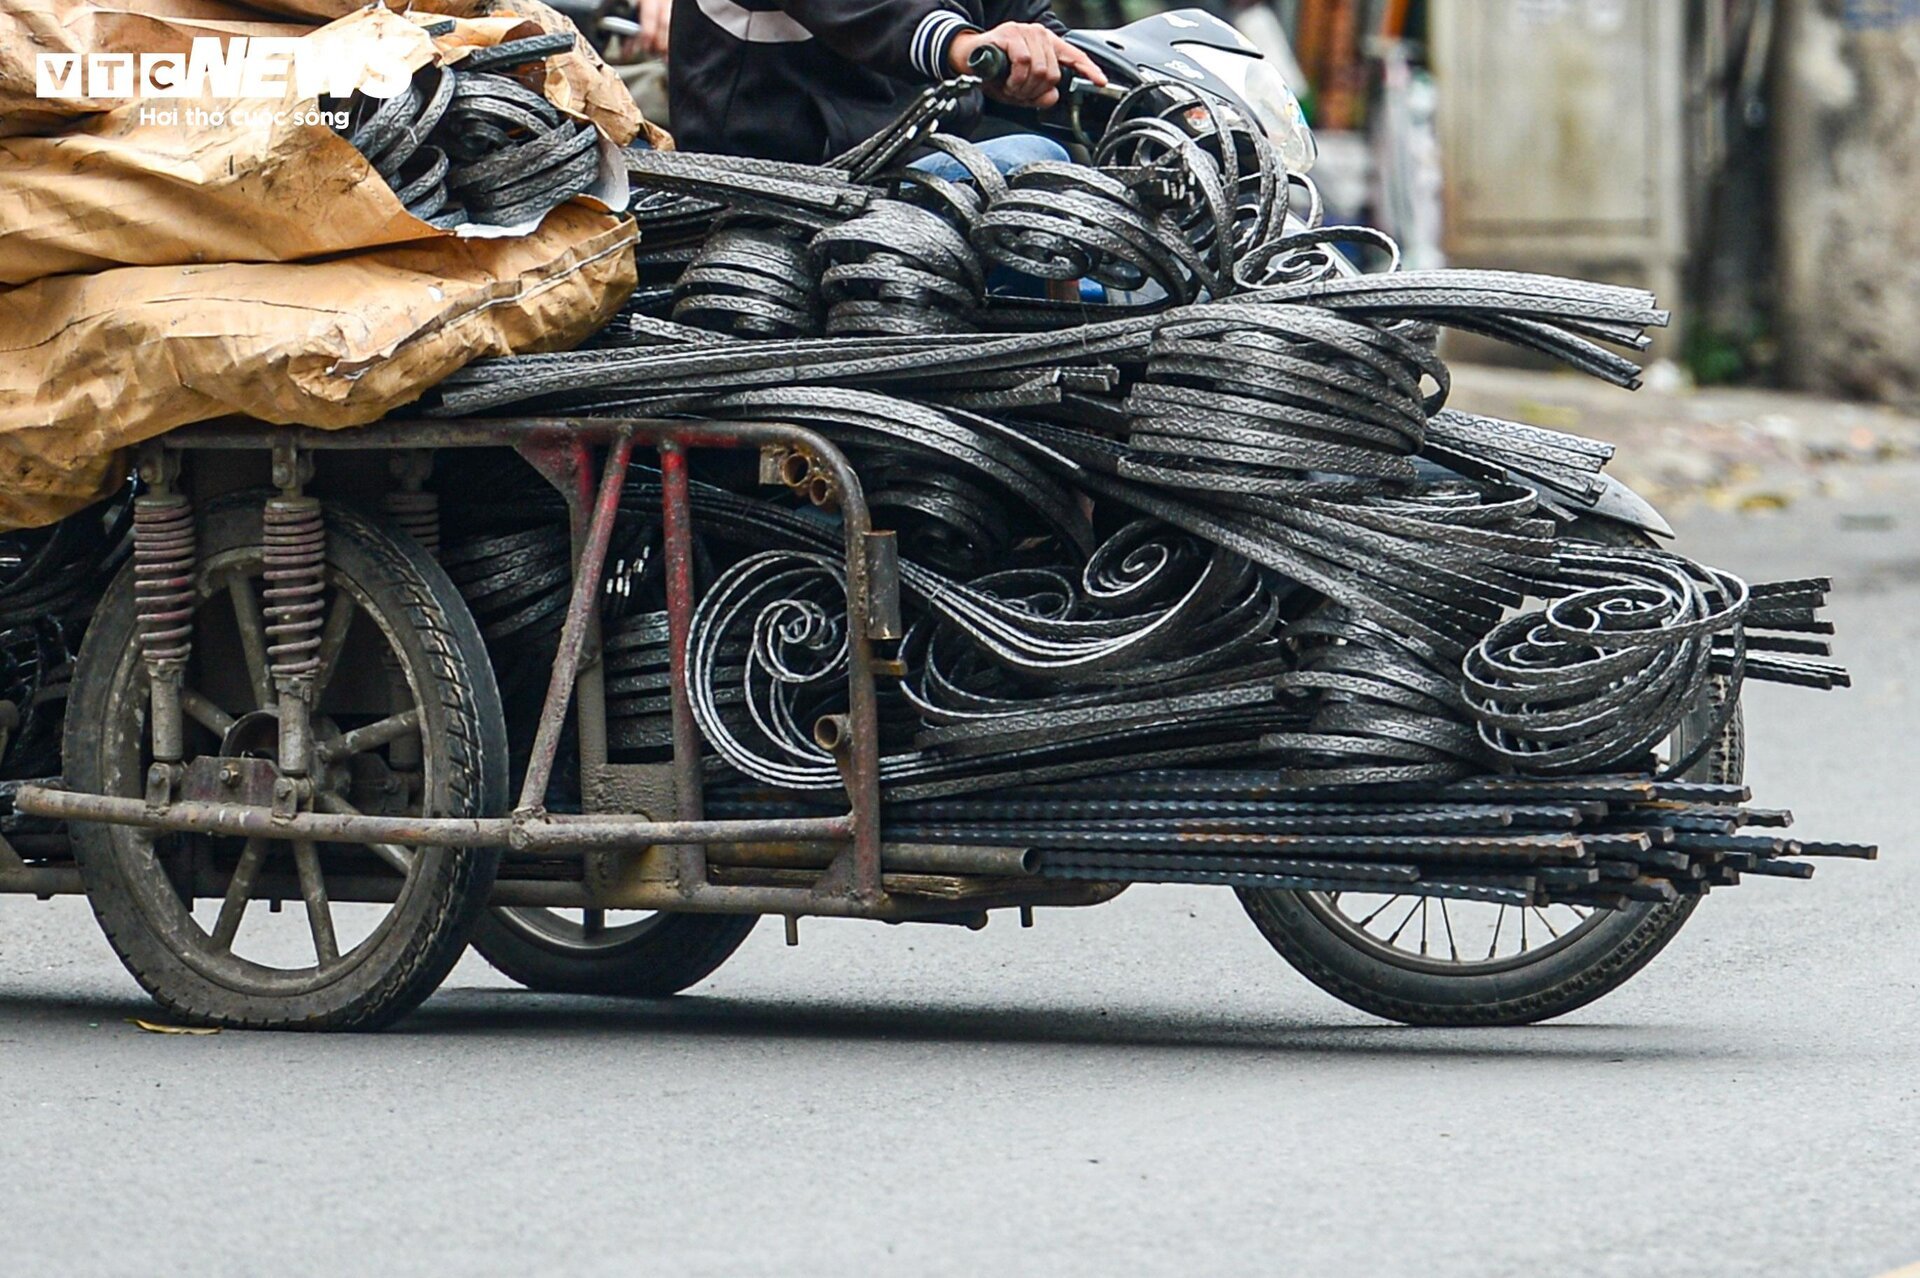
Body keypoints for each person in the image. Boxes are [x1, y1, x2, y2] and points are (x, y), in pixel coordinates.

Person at [667, 0, 1106, 163]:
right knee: (1031, 164)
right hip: (791, 187)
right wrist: (962, 46)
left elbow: (1025, 18)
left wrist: (1145, 90)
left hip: (915, 165)